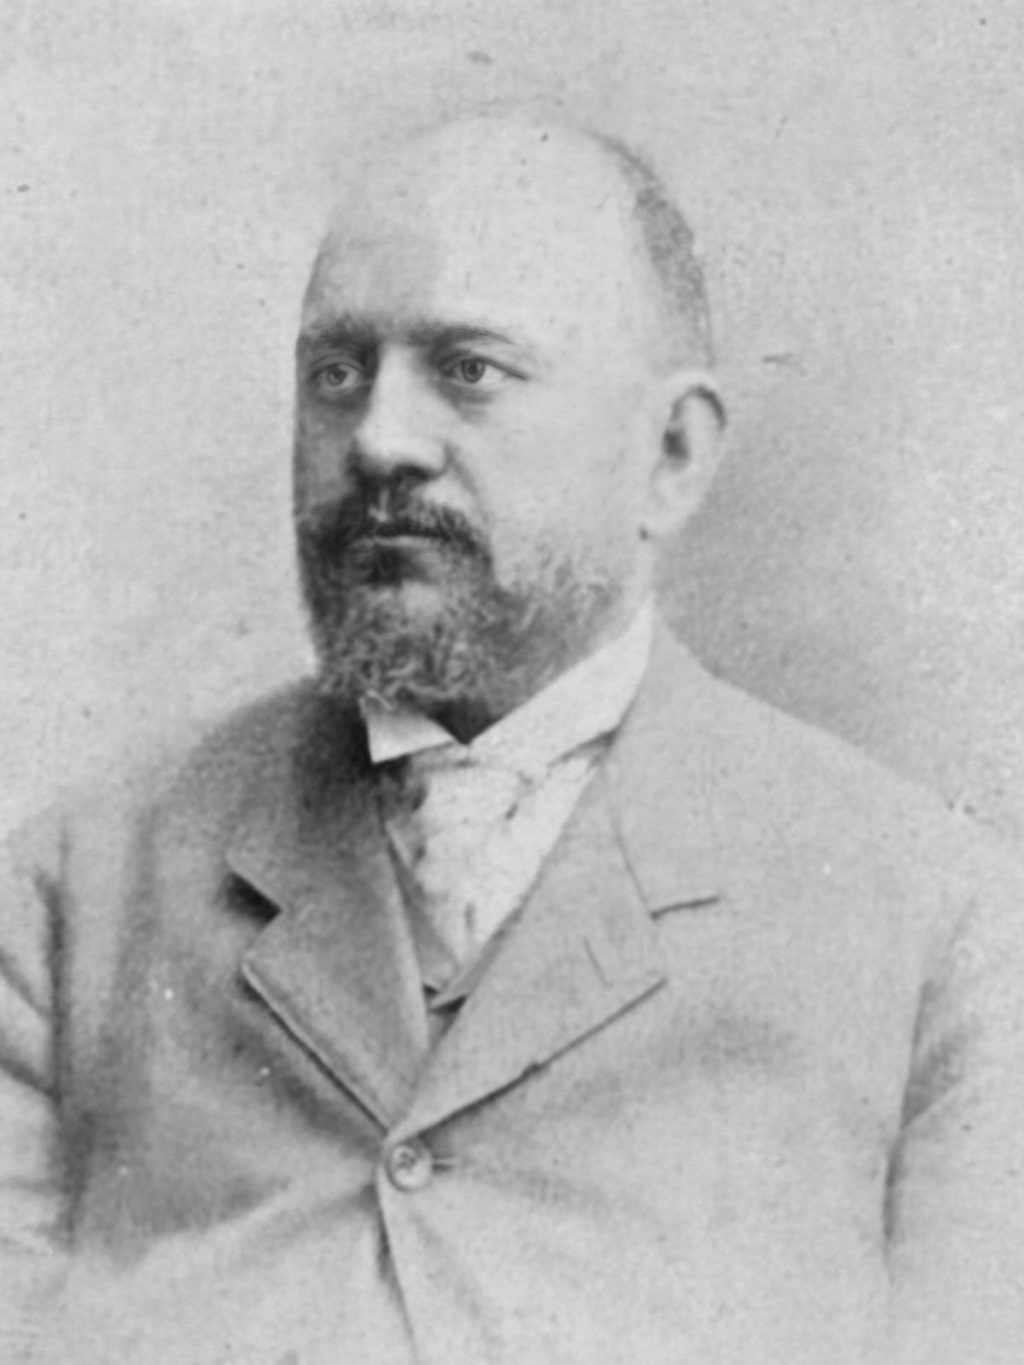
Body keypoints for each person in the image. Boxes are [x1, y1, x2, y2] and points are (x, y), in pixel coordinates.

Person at [2, 115, 1022, 1365]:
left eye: (468, 370)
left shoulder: (945, 936)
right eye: (337, 374)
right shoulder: (67, 901)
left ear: (670, 455)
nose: (379, 439)